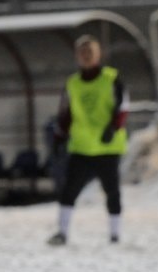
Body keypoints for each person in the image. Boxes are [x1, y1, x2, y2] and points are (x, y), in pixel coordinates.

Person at [48, 35, 129, 246]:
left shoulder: (111, 78)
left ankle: (115, 234)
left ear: (98, 54)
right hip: (82, 146)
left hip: (107, 146)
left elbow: (123, 106)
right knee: (69, 190)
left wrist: (113, 127)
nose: (86, 56)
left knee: (111, 190)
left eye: (90, 52)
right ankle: (62, 233)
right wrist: (59, 137)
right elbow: (65, 114)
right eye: (82, 53)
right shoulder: (72, 83)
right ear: (77, 57)